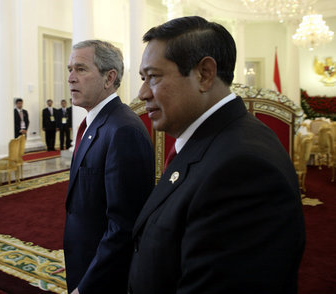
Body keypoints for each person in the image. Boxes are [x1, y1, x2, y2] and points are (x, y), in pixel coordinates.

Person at [128, 16, 305, 293]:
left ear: (204, 74)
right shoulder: (213, 140)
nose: (142, 93)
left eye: (153, 77)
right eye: (143, 78)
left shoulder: (244, 169)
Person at [64, 40, 155, 294]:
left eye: (81, 69)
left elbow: (124, 227)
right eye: (69, 69)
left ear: (109, 77)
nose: (71, 78)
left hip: (103, 278)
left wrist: (87, 286)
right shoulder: (96, 123)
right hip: (85, 260)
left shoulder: (123, 129)